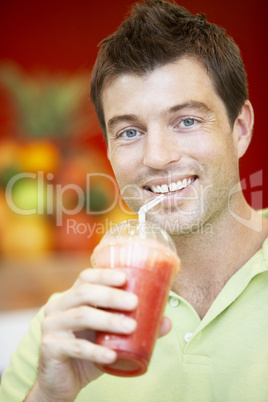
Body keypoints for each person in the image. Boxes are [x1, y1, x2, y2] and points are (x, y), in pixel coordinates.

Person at [1, 0, 268, 400]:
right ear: (107, 150)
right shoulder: (66, 332)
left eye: (187, 120)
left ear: (240, 128)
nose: (157, 156)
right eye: (129, 132)